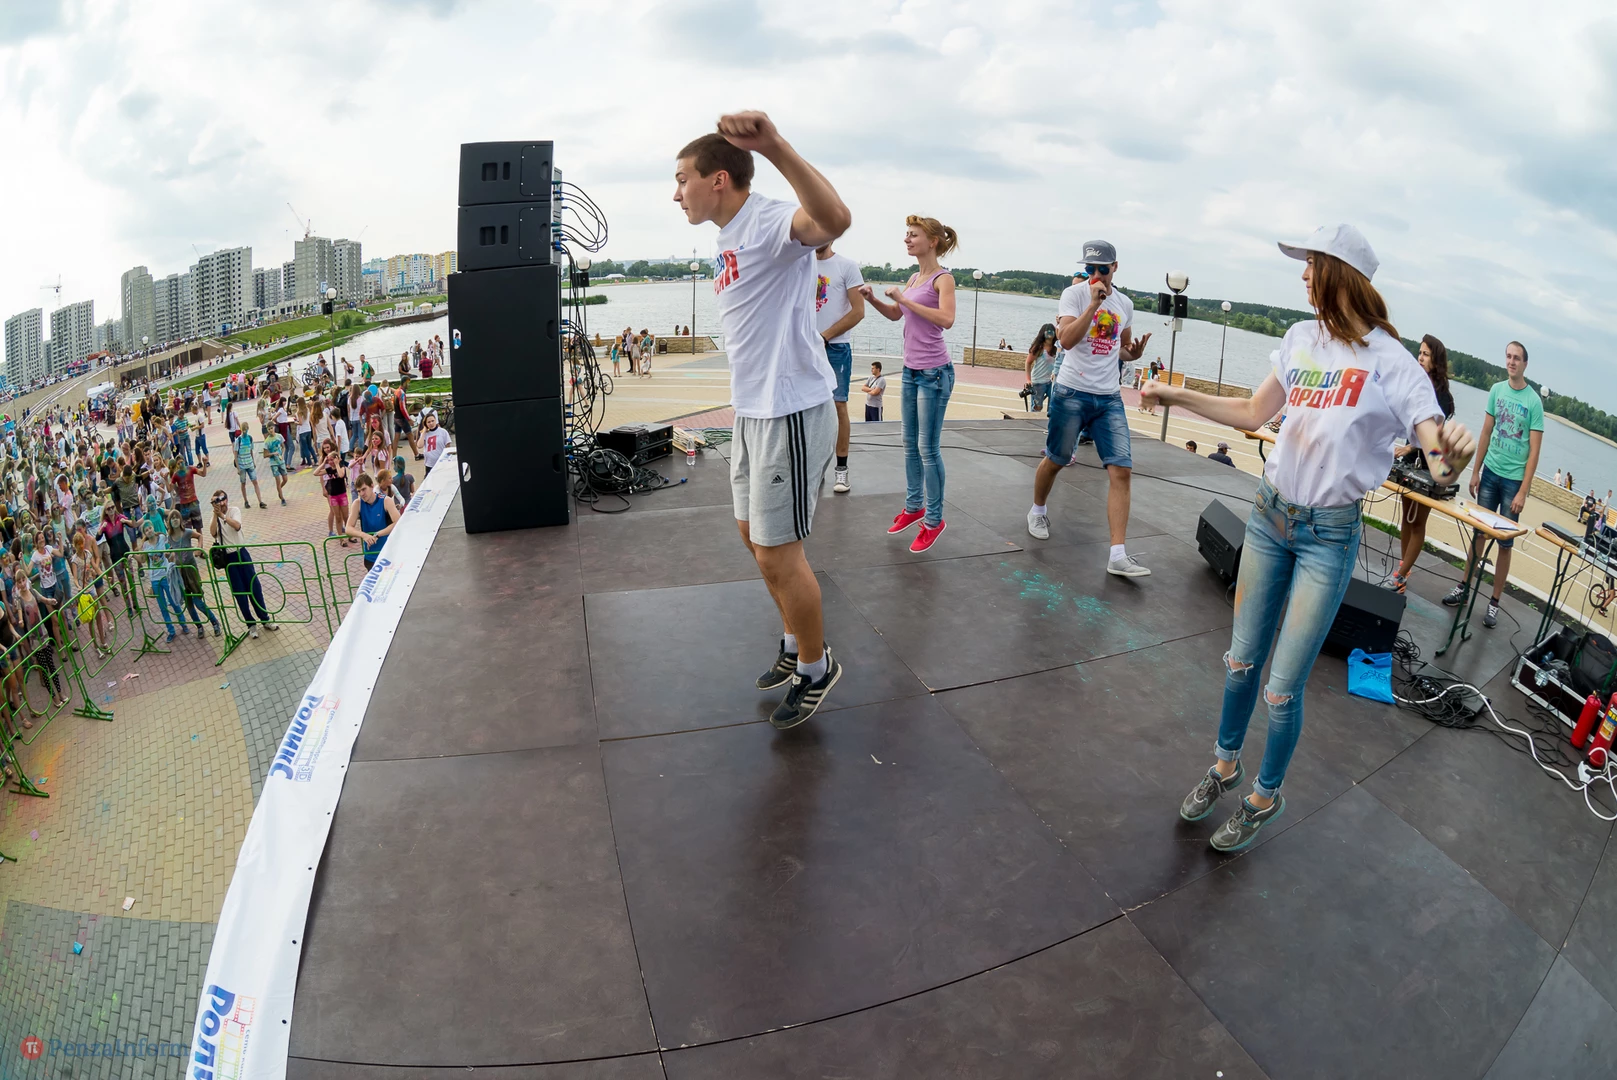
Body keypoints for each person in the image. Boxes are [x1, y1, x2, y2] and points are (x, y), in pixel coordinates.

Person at [1142, 224, 1475, 852]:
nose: (1302, 274)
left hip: (1328, 536)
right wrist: (1175, 394)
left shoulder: (1392, 363)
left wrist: (1452, 456)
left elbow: (1437, 461)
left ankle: (1264, 796)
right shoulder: (1301, 338)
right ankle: (1224, 766)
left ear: (1339, 273)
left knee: (1281, 687)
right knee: (1240, 662)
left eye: (1311, 263)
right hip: (1269, 517)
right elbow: (1252, 413)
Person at [674, 110, 850, 728]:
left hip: (790, 408)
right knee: (754, 539)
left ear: (718, 179)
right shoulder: (728, 235)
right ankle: (794, 642)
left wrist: (773, 145)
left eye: (683, 179)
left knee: (779, 553)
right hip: (752, 411)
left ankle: (816, 667)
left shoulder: (770, 220)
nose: (676, 193)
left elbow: (834, 220)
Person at [1026, 240, 1154, 577]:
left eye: (1102, 268)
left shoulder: (1125, 303)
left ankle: (1117, 555)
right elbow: (1066, 340)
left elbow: (1119, 348)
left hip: (1108, 398)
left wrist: (1133, 354)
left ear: (1115, 267)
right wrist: (1093, 305)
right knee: (1057, 459)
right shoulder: (1074, 295)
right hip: (1071, 392)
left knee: (1121, 469)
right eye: (1089, 269)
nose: (1095, 274)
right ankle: (1037, 510)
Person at [858, 215, 959, 553]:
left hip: (935, 373)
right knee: (908, 443)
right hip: (911, 371)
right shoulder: (915, 277)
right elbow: (896, 314)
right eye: (906, 234)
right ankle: (914, 507)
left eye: (913, 234)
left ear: (932, 241)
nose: (907, 239)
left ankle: (934, 520)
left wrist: (904, 299)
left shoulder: (944, 279)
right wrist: (873, 299)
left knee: (928, 448)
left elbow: (946, 320)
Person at [1444, 340, 1542, 628]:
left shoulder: (1533, 402)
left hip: (1513, 482)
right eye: (1508, 356)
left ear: (1525, 364)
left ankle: (1495, 602)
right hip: (1490, 474)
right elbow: (1486, 432)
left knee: (1505, 544)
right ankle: (1464, 587)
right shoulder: (1497, 391)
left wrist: (1523, 491)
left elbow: (1534, 451)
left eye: (1517, 358)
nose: (1511, 362)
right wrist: (1475, 471)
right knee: (1479, 534)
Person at [1390, 334, 1457, 593]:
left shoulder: (1442, 396)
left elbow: (1434, 436)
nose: (1420, 358)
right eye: (1419, 353)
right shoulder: (1416, 385)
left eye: (1426, 354)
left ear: (1435, 360)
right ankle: (1403, 569)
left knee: (1418, 522)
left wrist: (1409, 447)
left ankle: (1401, 575)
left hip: (1428, 464)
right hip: (1410, 461)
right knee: (1407, 518)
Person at [814, 240, 866, 493]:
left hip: (835, 347)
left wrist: (825, 336)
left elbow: (858, 311)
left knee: (838, 406)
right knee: (806, 408)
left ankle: (841, 470)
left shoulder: (846, 266)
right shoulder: (799, 263)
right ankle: (813, 468)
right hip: (805, 348)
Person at [208, 490, 275, 637]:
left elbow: (237, 526)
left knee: (254, 587)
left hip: (242, 553)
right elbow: (213, 533)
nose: (220, 503)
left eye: (221, 500)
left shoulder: (234, 511)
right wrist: (216, 515)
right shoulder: (215, 517)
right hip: (229, 558)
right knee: (239, 593)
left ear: (226, 499)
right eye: (215, 502)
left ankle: (265, 619)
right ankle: (251, 625)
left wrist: (223, 516)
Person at [166, 510, 220, 637]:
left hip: (191, 570)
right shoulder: (170, 537)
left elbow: (199, 536)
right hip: (180, 573)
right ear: (169, 522)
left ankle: (215, 622)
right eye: (172, 518)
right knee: (189, 605)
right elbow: (171, 553)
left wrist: (199, 548)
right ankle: (199, 626)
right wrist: (169, 555)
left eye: (177, 517)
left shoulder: (187, 533)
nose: (175, 520)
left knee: (198, 602)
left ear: (180, 520)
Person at [347, 472, 401, 569]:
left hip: (388, 553)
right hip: (370, 555)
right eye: (359, 491)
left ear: (372, 486)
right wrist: (364, 535)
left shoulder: (386, 501)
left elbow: (398, 523)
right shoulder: (357, 504)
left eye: (364, 489)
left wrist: (378, 534)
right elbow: (348, 528)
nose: (361, 494)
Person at [319, 438, 350, 545]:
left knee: (343, 514)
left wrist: (336, 463)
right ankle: (332, 530)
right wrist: (323, 488)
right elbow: (319, 475)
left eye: (328, 447)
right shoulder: (324, 460)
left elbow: (341, 473)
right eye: (324, 448)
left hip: (340, 489)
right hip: (329, 486)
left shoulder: (336, 459)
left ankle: (344, 531)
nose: (326, 449)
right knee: (334, 512)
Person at [1024, 324, 1060, 413]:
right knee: (1037, 407)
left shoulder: (1057, 347)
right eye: (1047, 331)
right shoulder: (1038, 348)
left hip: (1052, 381)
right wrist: (1028, 380)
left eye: (1052, 330)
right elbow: (1028, 363)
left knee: (1053, 406)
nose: (1050, 333)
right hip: (1038, 381)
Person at [233, 423, 266, 509]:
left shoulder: (250, 438)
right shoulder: (238, 440)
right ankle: (246, 501)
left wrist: (253, 461)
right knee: (243, 483)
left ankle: (260, 501)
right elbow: (235, 454)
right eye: (244, 430)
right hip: (242, 465)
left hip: (250, 463)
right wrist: (238, 467)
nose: (245, 432)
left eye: (246, 430)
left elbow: (251, 450)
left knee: (255, 481)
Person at [262, 423, 289, 506]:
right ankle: (282, 498)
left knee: (285, 479)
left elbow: (283, 447)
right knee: (278, 480)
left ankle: (279, 489)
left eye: (271, 428)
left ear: (274, 428)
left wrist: (282, 455)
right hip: (273, 463)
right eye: (269, 429)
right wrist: (273, 453)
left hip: (281, 461)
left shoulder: (279, 436)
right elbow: (265, 455)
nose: (271, 430)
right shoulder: (267, 441)